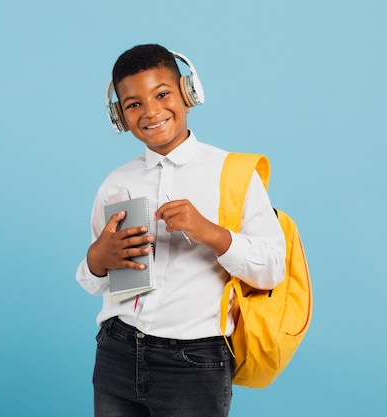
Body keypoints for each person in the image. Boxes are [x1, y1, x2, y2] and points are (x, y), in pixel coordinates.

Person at [75, 44, 286, 417]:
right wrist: (96, 260)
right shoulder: (116, 183)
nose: (151, 111)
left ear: (189, 94)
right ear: (120, 116)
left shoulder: (232, 174)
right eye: (133, 104)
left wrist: (211, 233)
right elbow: (96, 282)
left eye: (162, 94)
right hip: (118, 350)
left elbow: (271, 268)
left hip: (194, 360)